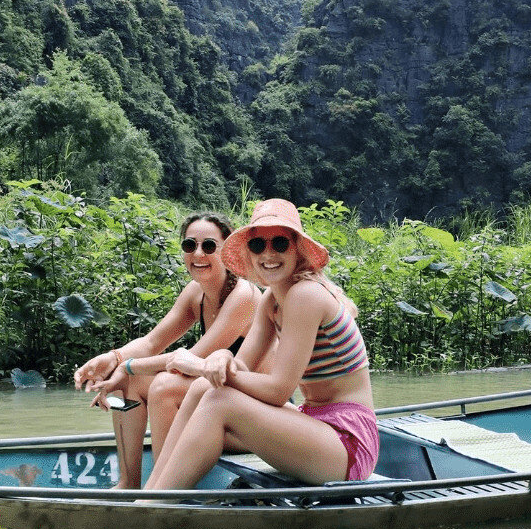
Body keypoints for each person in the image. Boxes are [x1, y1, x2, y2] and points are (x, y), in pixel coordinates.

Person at [141, 198, 379, 493]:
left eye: (279, 243)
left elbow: (279, 391)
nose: (268, 254)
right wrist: (221, 358)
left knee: (219, 400)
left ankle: (156, 505)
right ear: (249, 253)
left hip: (348, 443)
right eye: (258, 246)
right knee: (205, 388)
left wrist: (203, 366)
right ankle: (150, 493)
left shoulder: (305, 295)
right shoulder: (271, 299)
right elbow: (240, 367)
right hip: (314, 423)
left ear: (297, 249)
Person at [74, 213, 258, 488]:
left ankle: (160, 488)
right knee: (128, 382)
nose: (198, 253)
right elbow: (151, 342)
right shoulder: (196, 293)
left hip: (250, 417)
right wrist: (112, 360)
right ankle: (129, 482)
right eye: (189, 245)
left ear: (227, 251)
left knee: (164, 385)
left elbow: (187, 360)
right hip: (214, 399)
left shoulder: (243, 296)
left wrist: (125, 366)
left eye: (209, 246)